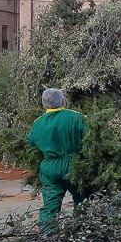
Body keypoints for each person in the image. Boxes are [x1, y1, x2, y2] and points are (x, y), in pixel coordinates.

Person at [27, 88, 90, 231]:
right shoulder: (76, 117)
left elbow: (30, 143)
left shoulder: (38, 123)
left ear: (44, 104)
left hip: (50, 168)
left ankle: (46, 241)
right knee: (82, 202)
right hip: (75, 165)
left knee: (50, 207)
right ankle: (82, 234)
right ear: (63, 101)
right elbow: (92, 136)